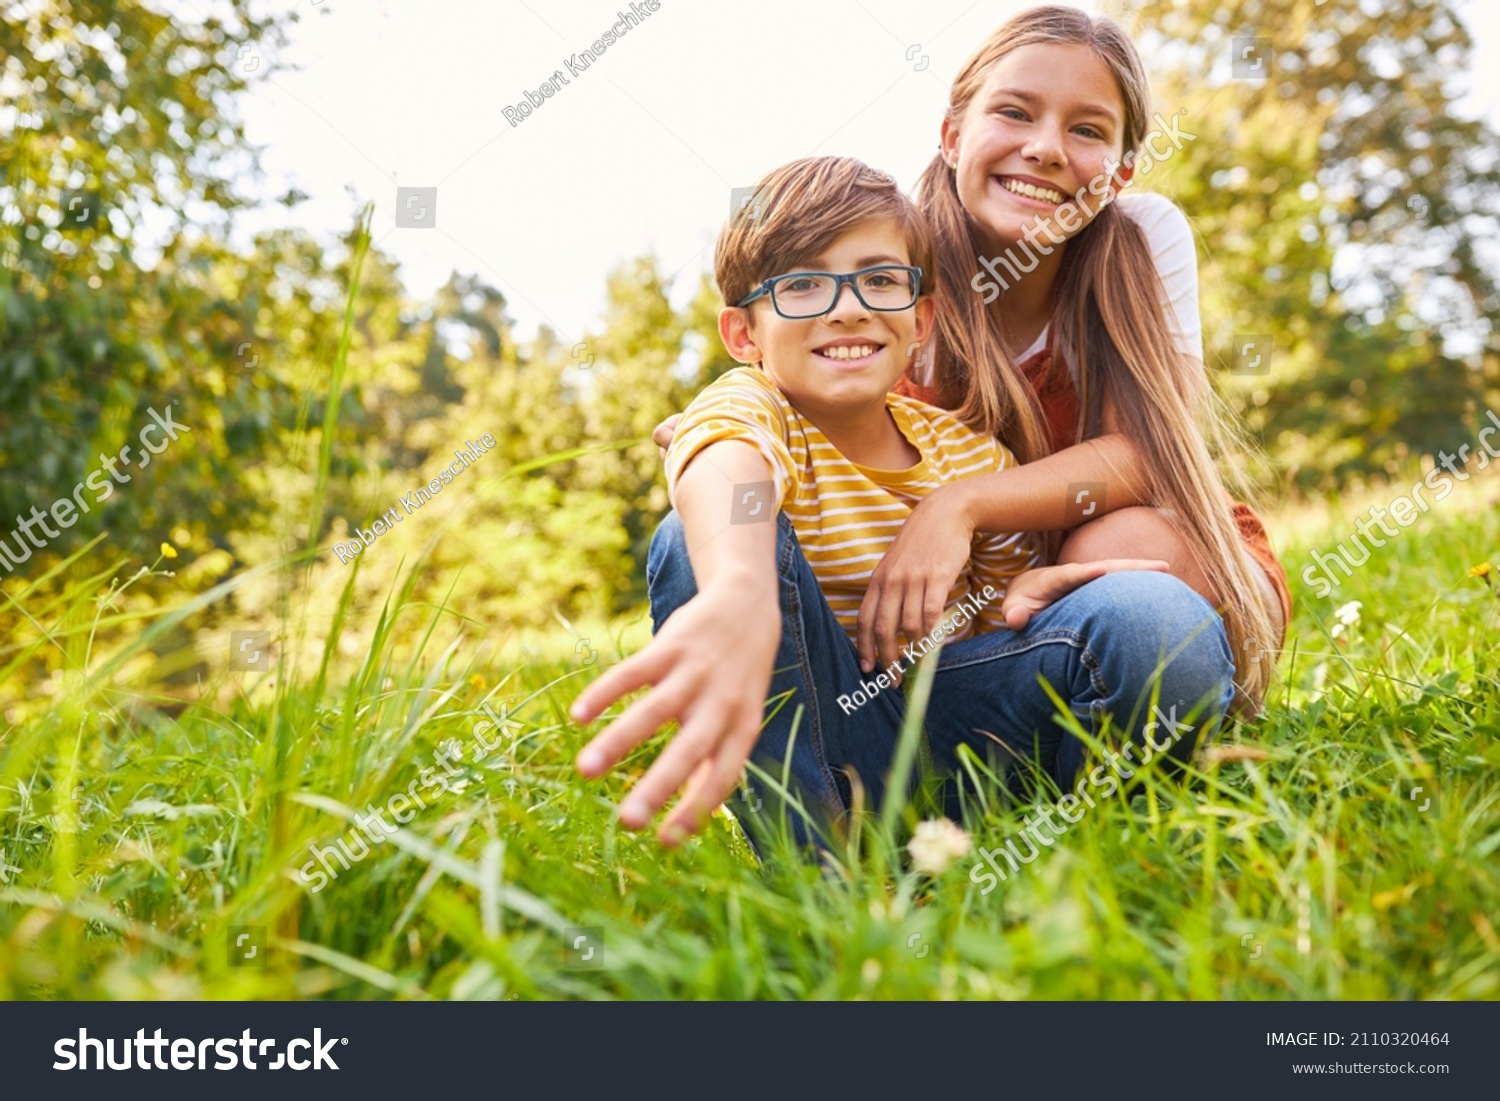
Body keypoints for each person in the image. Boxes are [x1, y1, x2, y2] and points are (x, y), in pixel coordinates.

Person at [571, 154, 1226, 848]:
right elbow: (724, 460)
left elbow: (1002, 616)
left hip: (956, 729)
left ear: (921, 318)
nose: (848, 307)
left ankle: (1084, 835)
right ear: (743, 335)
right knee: (689, 538)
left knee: (1154, 618)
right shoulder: (752, 408)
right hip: (815, 737)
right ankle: (812, 869)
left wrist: (1030, 595)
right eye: (802, 285)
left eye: (879, 280)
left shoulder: (968, 454)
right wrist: (738, 584)